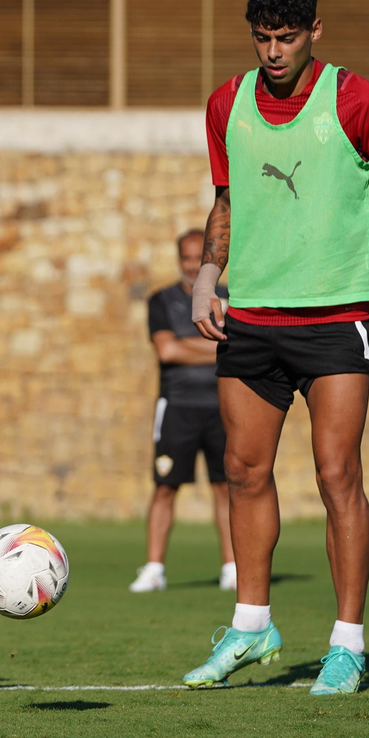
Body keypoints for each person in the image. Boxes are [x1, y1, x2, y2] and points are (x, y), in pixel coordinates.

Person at [181, 0, 369, 696]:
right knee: (243, 471)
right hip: (252, 318)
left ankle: (347, 645)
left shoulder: (359, 100)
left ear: (314, 32)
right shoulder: (226, 103)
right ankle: (252, 627)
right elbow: (226, 198)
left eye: (286, 38)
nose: (273, 52)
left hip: (334, 317)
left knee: (336, 475)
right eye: (262, 39)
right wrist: (206, 274)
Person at [129, 229, 236, 594]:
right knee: (165, 487)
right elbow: (167, 352)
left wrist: (190, 344)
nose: (193, 266)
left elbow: (236, 346)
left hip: (223, 405)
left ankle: (232, 568)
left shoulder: (230, 300)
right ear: (179, 259)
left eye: (198, 258)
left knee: (226, 487)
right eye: (186, 258)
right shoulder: (162, 301)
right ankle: (155, 568)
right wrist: (219, 342)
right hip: (177, 408)